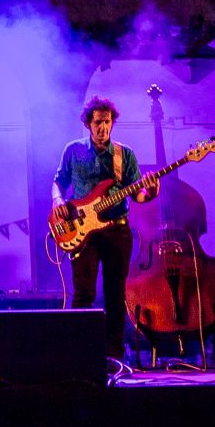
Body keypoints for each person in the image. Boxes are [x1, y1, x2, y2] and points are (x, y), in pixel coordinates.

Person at [51, 98, 158, 310]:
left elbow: (137, 195)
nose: (103, 127)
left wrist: (151, 193)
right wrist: (57, 200)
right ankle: (85, 343)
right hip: (82, 230)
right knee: (83, 294)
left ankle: (114, 345)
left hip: (117, 230)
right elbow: (58, 181)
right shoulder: (73, 150)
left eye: (107, 122)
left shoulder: (124, 154)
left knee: (116, 295)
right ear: (88, 124)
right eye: (98, 122)